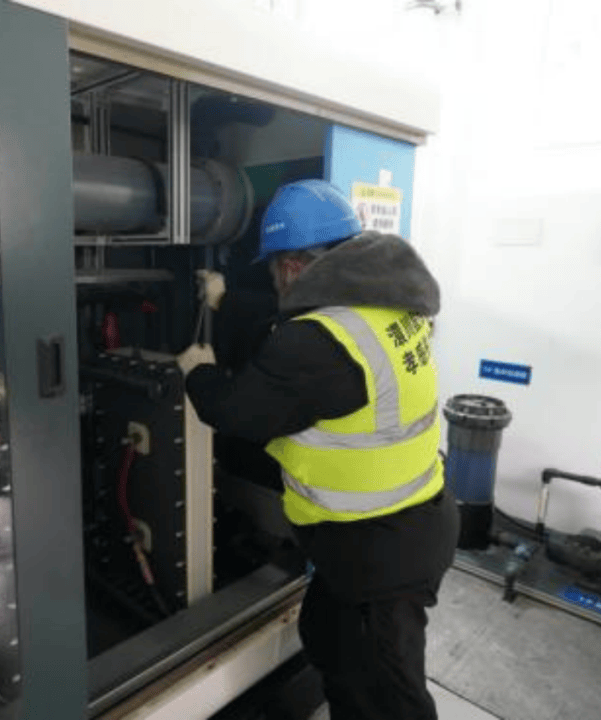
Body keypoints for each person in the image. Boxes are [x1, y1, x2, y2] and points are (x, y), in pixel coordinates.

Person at [180, 180, 459, 720]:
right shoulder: (387, 302)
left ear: (289, 267)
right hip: (402, 526)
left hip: (381, 556)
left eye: (273, 272)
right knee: (327, 636)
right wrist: (228, 299)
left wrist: (198, 373)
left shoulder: (317, 342)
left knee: (386, 698)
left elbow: (239, 411)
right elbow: (299, 320)